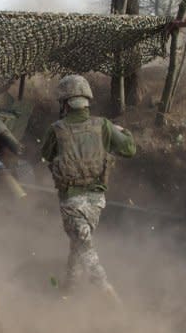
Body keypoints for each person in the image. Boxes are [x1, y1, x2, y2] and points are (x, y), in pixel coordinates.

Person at [40, 74, 136, 301]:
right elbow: (130, 149)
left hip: (71, 201)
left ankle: (106, 291)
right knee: (79, 243)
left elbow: (46, 154)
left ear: (65, 103)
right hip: (96, 202)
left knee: (84, 246)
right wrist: (123, 131)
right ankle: (69, 291)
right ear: (86, 100)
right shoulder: (103, 125)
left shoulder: (57, 129)